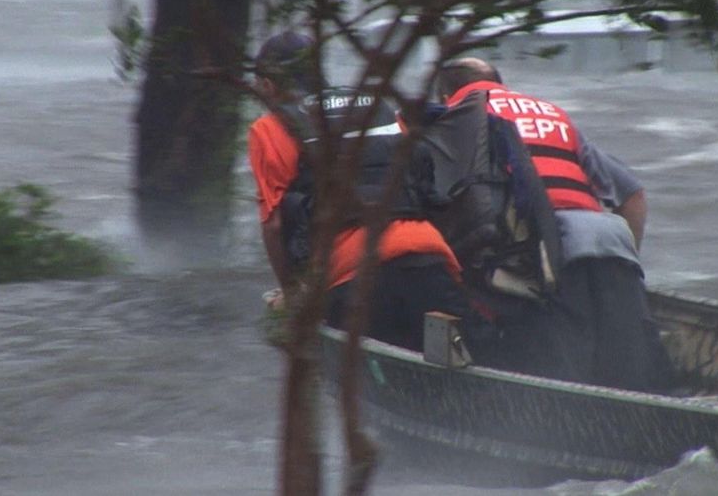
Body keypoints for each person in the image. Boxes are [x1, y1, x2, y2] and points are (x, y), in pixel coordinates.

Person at [432, 57, 672, 391]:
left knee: (566, 370)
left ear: (445, 96)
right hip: (609, 238)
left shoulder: (455, 117)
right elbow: (632, 196)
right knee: (631, 360)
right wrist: (628, 258)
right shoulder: (552, 113)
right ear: (500, 82)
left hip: (548, 249)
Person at [248, 32, 487, 352]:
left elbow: (274, 223)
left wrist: (293, 293)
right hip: (429, 257)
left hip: (352, 279)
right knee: (464, 365)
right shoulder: (380, 108)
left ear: (267, 86)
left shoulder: (270, 127)